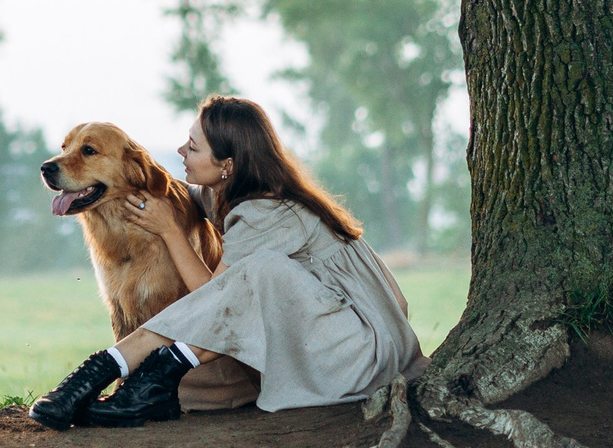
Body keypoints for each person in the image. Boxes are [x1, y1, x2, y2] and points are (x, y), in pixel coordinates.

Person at [29, 95, 426, 429]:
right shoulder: (227, 195)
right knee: (260, 273)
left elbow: (216, 303)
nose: (182, 152)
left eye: (193, 146)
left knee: (261, 270)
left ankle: (103, 377)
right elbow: (174, 190)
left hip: (359, 360)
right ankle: (135, 383)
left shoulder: (267, 213)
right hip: (344, 339)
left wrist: (170, 231)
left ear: (228, 165)